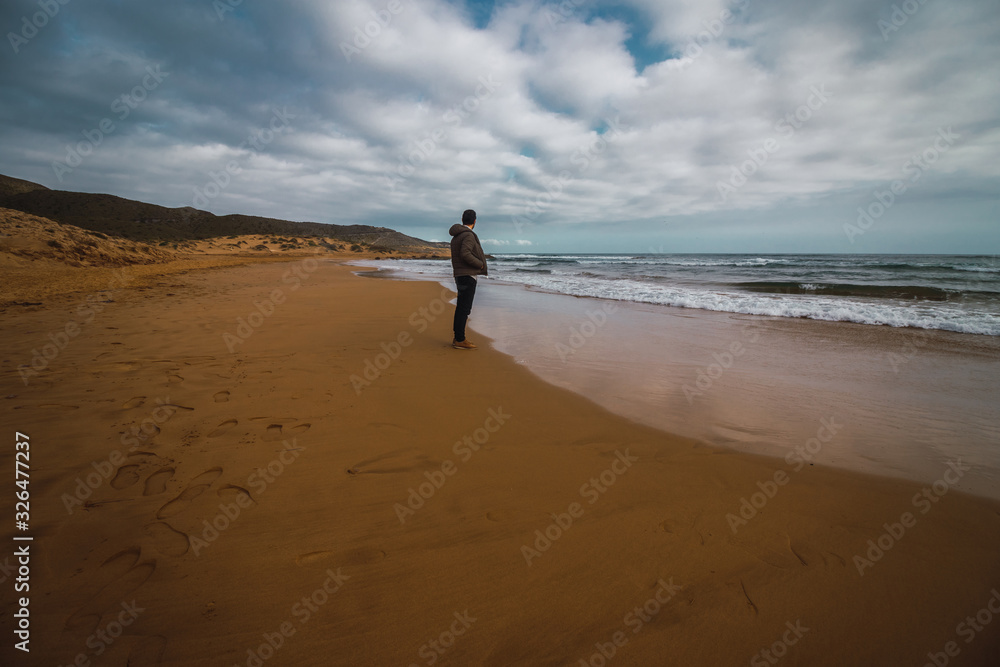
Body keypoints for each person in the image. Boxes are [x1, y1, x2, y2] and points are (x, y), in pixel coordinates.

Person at [449, 209, 487, 349]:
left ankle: (458, 338)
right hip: (467, 275)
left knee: (461, 308)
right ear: (475, 221)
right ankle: (460, 339)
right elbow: (465, 253)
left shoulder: (456, 236)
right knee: (464, 309)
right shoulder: (468, 236)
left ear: (462, 219)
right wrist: (480, 264)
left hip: (459, 274)